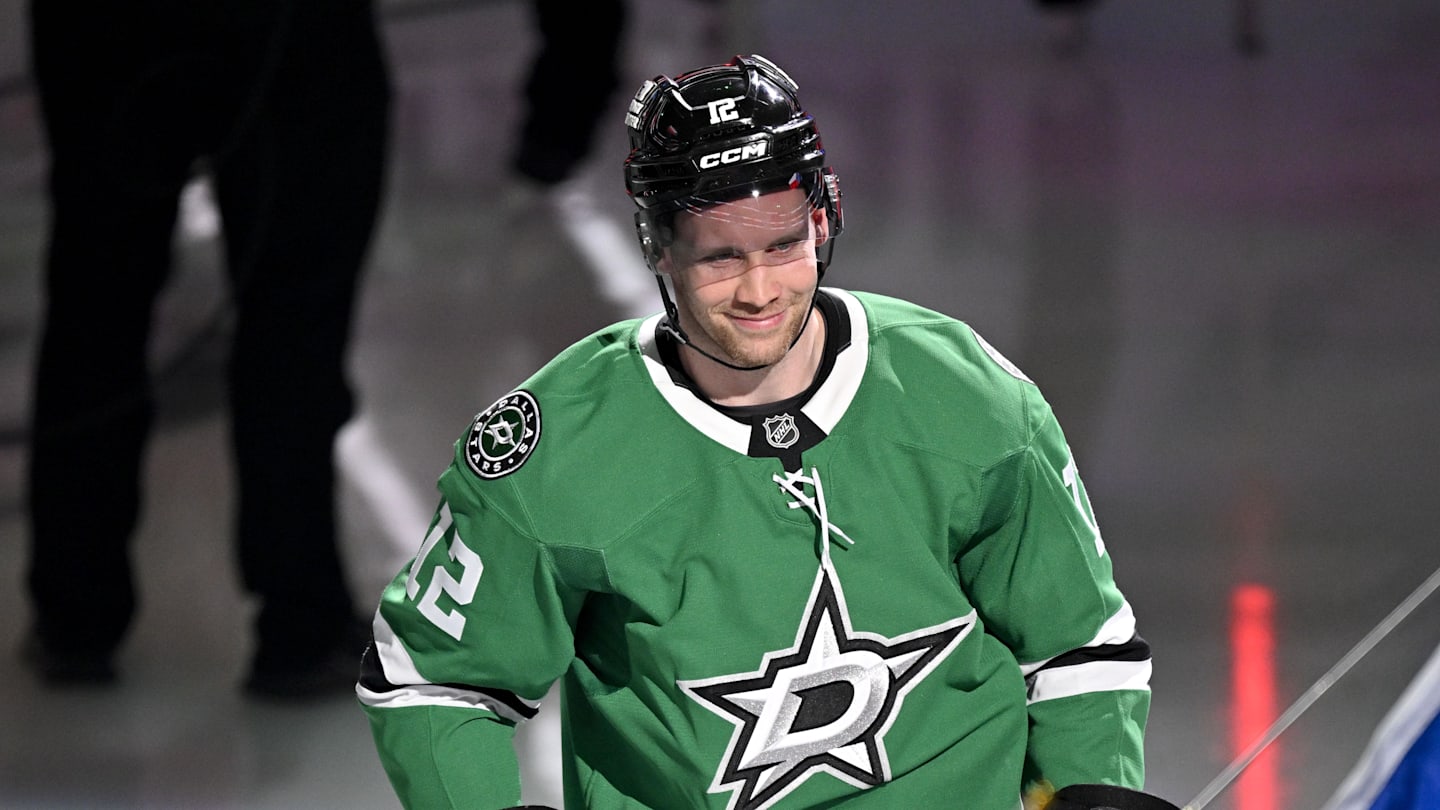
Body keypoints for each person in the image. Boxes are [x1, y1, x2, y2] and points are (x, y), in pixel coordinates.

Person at [359, 54, 1152, 808]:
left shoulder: (967, 395)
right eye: (720, 258)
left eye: (785, 245)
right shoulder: (555, 451)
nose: (759, 289)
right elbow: (432, 679)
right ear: (658, 249)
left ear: (823, 218)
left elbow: (1078, 640)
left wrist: (1094, 792)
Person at [22, 0, 391, 698]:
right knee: (295, 310)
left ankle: (74, 610)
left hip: (105, 29)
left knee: (96, 298)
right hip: (287, 29)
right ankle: (300, 617)